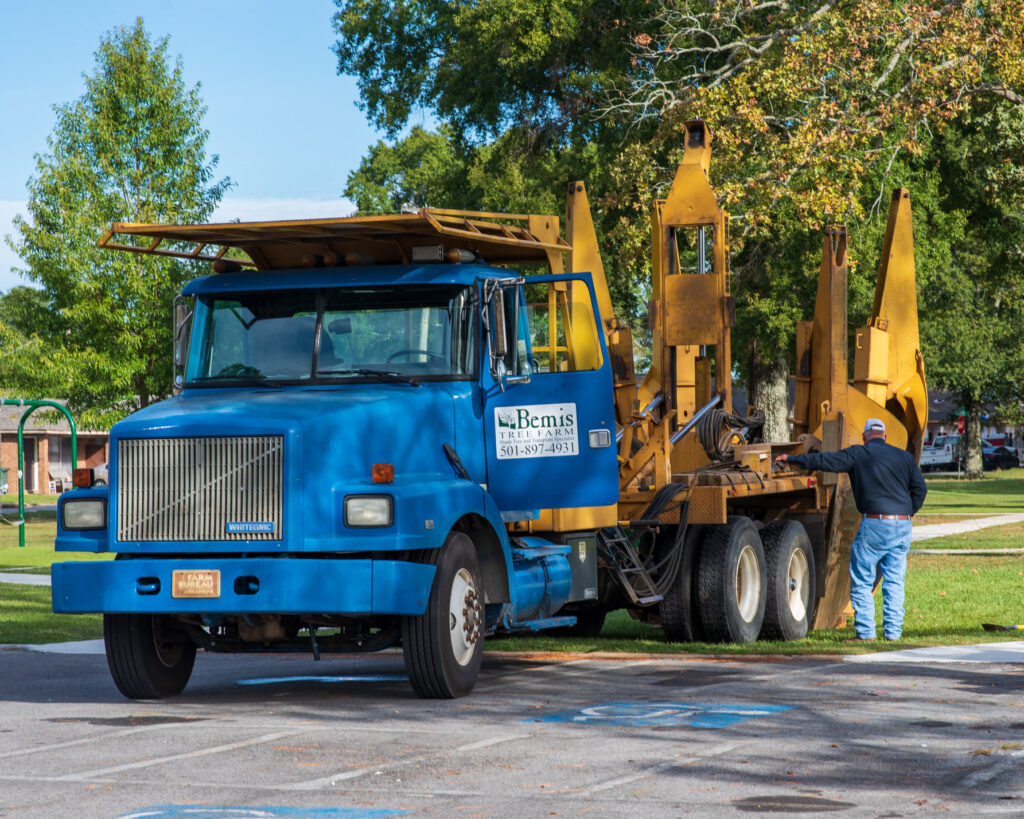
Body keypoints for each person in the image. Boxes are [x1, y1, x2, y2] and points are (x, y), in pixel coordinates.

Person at [773, 418, 927, 642]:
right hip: (902, 524)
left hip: (875, 522)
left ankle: (866, 633)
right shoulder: (904, 457)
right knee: (894, 580)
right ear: (885, 437)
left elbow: (826, 460)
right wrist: (908, 512)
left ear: (865, 437)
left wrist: (793, 459)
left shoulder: (859, 453)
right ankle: (893, 634)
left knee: (862, 578)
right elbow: (920, 489)